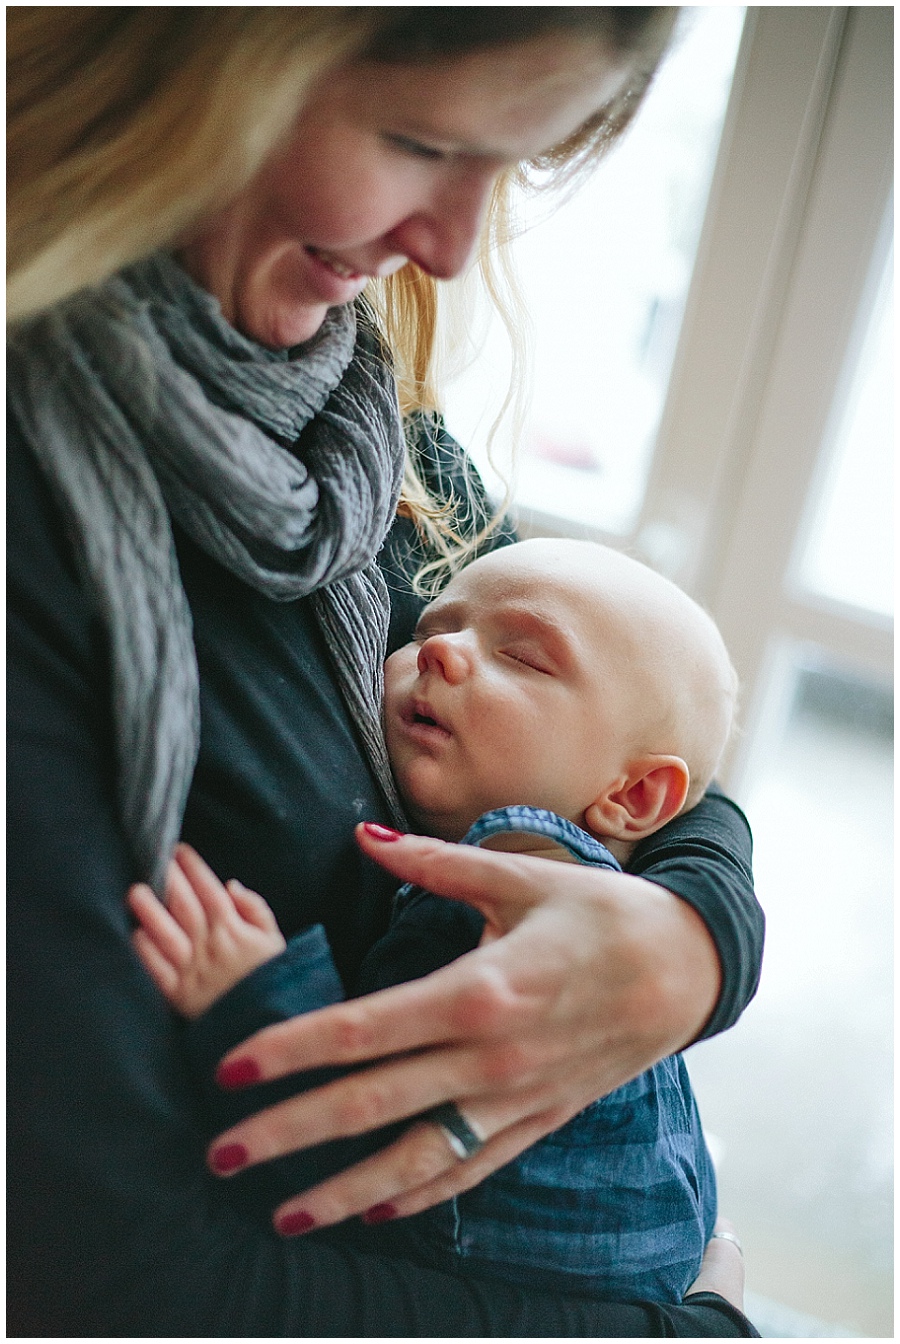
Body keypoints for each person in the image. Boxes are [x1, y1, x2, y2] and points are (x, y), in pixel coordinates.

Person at [8, 8, 762, 1337]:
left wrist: (692, 943)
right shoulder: (36, 535)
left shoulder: (363, 423)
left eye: (512, 165)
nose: (453, 247)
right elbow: (101, 1283)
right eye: (421, 141)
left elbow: (633, 731)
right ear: (193, 68)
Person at [129, 537, 736, 1305]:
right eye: (425, 630)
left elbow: (378, 1147)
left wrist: (255, 1001)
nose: (442, 650)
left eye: (524, 658)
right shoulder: (592, 885)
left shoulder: (507, 896)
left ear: (636, 796)